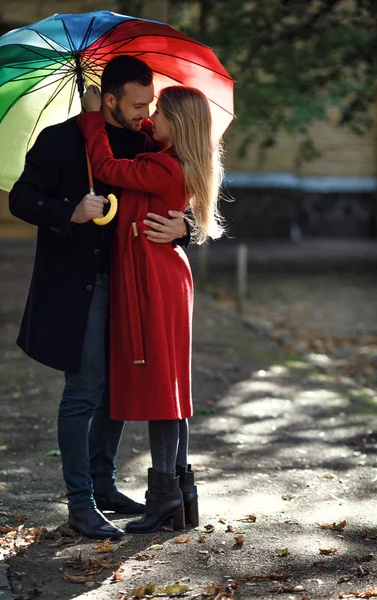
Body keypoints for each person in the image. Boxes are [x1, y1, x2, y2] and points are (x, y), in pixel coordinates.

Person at [8, 56, 189, 540]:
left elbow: (183, 186)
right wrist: (71, 209)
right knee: (84, 389)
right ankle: (80, 503)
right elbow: (20, 198)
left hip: (133, 285)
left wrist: (186, 228)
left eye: (149, 103)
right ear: (108, 99)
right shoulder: (61, 139)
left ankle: (105, 485)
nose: (145, 112)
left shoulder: (148, 140)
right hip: (78, 285)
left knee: (117, 391)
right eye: (135, 104)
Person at [77, 83, 224, 533]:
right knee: (172, 387)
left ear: (175, 125)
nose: (149, 118)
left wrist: (90, 118)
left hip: (154, 282)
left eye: (157, 112)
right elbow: (145, 135)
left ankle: (163, 500)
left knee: (163, 390)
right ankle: (181, 494)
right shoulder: (173, 160)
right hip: (166, 275)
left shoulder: (161, 167)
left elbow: (104, 165)